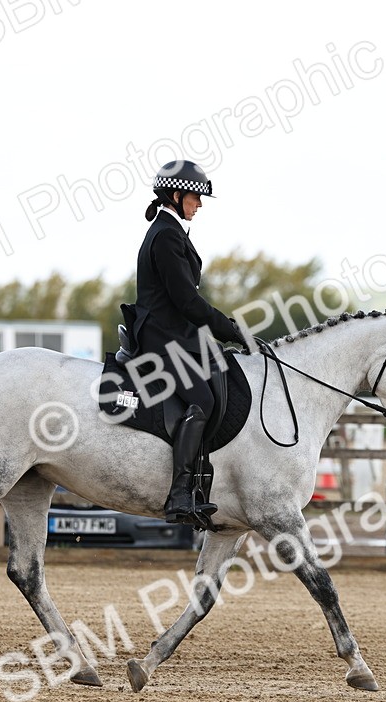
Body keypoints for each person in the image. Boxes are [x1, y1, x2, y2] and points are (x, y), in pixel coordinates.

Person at [131, 160, 249, 527]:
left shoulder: (172, 232)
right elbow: (186, 301)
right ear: (176, 195)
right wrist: (230, 329)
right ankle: (181, 491)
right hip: (161, 338)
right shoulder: (166, 236)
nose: (200, 204)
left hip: (177, 336)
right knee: (203, 398)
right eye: (196, 197)